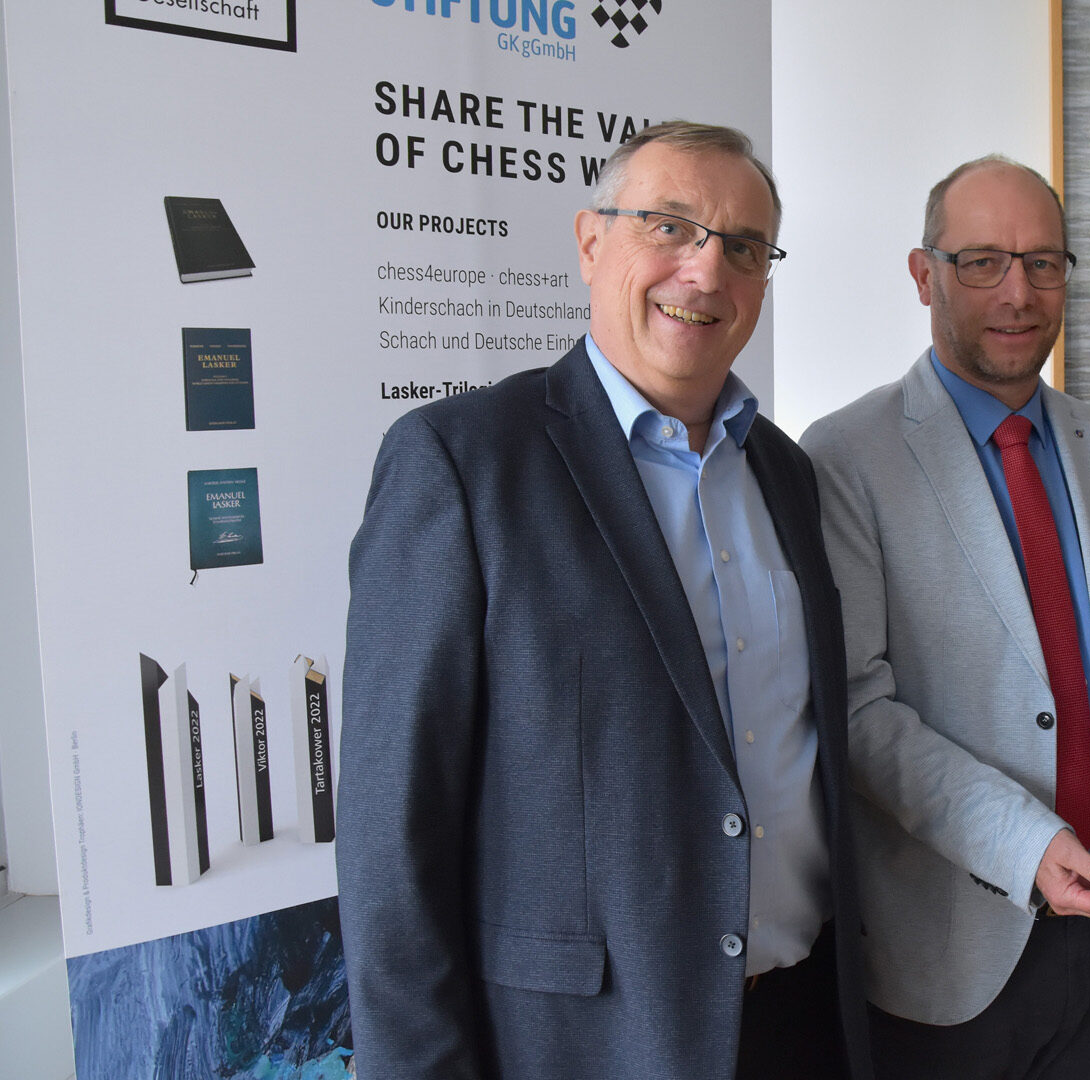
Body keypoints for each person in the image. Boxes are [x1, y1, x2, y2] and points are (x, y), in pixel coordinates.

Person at [336, 122, 872, 1080]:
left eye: (745, 247)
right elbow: (393, 841)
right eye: (670, 227)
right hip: (590, 1046)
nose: (706, 271)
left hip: (803, 1023)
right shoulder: (461, 464)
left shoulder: (785, 472)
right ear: (591, 242)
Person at [800, 155, 1090, 1080]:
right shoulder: (846, 457)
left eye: (1042, 263)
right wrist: (1026, 845)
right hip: (945, 946)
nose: (1018, 293)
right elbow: (855, 711)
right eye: (982, 261)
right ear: (924, 274)